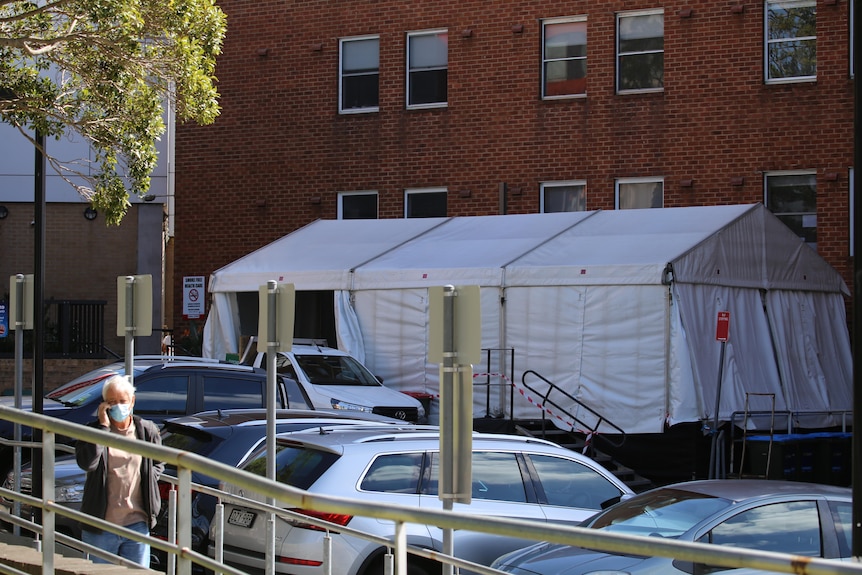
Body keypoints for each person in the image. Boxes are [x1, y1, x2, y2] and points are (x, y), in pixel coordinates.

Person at [75, 374, 164, 566]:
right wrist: (103, 428)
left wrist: (148, 478)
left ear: (132, 401)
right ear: (104, 405)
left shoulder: (146, 430)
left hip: (137, 524)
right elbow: (87, 463)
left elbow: (158, 462)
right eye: (112, 402)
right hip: (101, 526)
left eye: (122, 401)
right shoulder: (91, 431)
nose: (118, 406)